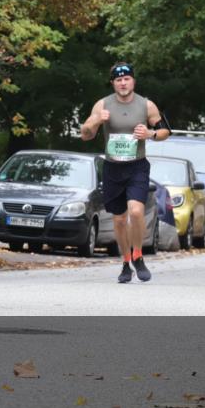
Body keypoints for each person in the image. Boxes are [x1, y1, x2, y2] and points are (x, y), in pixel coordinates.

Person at [81, 63, 170, 283]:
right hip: (112, 168)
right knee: (119, 220)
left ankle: (138, 255)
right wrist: (95, 121)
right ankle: (125, 261)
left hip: (137, 166)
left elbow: (165, 131)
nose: (123, 83)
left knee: (136, 212)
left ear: (133, 81)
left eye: (127, 79)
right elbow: (85, 135)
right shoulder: (102, 104)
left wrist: (149, 134)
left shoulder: (146, 105)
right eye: (118, 80)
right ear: (113, 83)